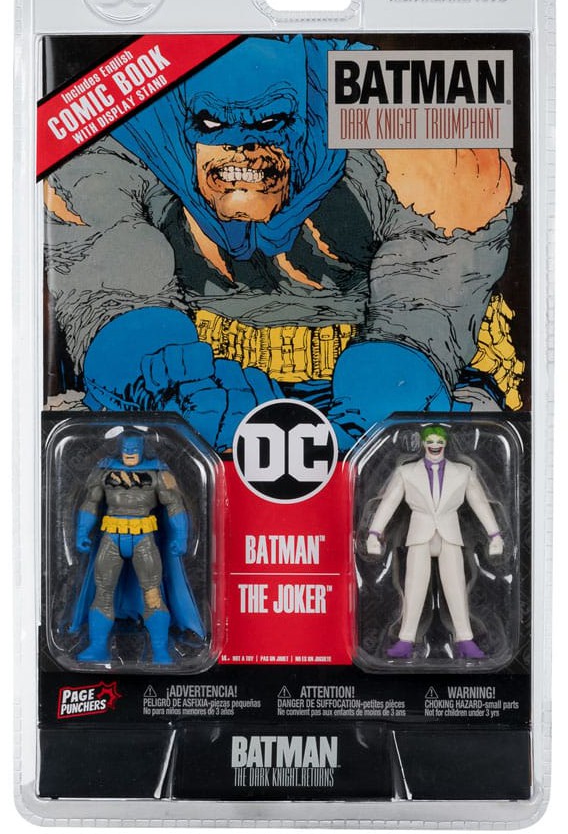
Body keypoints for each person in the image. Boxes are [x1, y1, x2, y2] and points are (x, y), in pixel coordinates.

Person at [45, 36, 518, 451]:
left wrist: (382, 399)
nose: (242, 149)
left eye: (269, 123)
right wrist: (157, 375)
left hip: (379, 379)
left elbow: (431, 288)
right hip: (200, 386)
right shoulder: (124, 129)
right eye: (215, 127)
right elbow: (105, 266)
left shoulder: (412, 131)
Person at [366, 424, 504, 658]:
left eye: (439, 442)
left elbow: (480, 503)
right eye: (430, 441)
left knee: (457, 588)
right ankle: (406, 640)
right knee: (413, 588)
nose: (435, 445)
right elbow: (388, 502)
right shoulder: (406, 472)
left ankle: (466, 640)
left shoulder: (463, 472)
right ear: (423, 444)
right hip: (419, 534)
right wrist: (374, 533)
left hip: (450, 534)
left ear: (445, 444)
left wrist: (495, 534)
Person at [71, 431, 205, 664]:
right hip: (112, 536)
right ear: (120, 448)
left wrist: (181, 536)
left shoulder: (158, 472)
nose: (130, 452)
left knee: (152, 593)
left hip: (143, 538)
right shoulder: (104, 471)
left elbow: (175, 506)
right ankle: (98, 647)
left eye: (135, 448)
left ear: (142, 448)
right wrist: (82, 531)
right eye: (127, 448)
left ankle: (160, 651)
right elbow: (90, 503)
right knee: (103, 592)